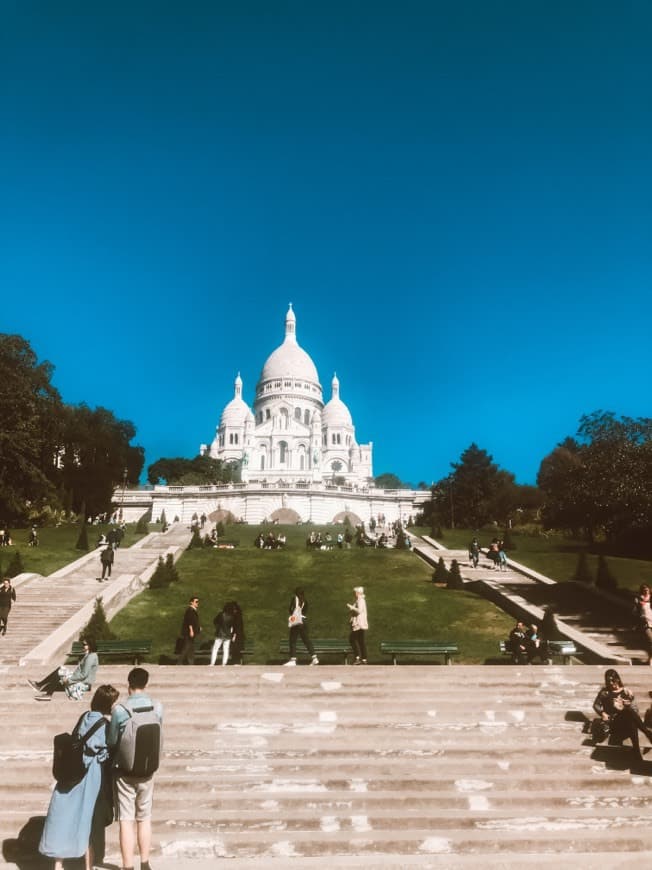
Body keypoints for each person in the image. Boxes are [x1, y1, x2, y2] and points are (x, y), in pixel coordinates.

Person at [39, 683, 119, 870]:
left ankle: (58, 863)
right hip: (90, 775)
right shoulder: (105, 725)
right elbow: (102, 753)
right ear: (108, 704)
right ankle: (87, 864)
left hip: (73, 771)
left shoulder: (85, 716)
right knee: (86, 818)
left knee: (64, 815)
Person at [108, 667, 163, 870]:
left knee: (126, 819)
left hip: (124, 772)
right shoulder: (157, 707)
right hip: (148, 770)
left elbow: (112, 741)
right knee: (145, 817)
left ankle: (127, 865)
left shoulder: (120, 710)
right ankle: (145, 862)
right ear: (146, 684)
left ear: (128, 684)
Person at [593, 669, 652, 763]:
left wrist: (630, 702)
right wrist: (602, 713)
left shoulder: (625, 691)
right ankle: (647, 733)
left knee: (631, 718)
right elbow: (595, 705)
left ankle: (636, 751)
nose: (611, 683)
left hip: (626, 723)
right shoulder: (605, 692)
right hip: (613, 723)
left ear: (618, 679)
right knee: (628, 712)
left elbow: (635, 710)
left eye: (613, 680)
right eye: (608, 681)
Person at [29, 637, 99, 700]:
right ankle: (42, 687)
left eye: (85, 644)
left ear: (90, 645)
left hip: (83, 684)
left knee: (60, 672)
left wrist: (69, 680)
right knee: (60, 669)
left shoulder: (91, 657)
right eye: (82, 644)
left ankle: (45, 690)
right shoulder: (89, 655)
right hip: (80, 680)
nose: (83, 646)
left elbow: (84, 675)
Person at [284, 587, 318, 666]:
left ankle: (293, 659)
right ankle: (314, 658)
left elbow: (291, 609)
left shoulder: (295, 599)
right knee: (306, 640)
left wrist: (292, 615)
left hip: (296, 621)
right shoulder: (305, 601)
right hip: (303, 621)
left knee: (292, 640)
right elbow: (305, 611)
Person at [347, 586, 368, 664]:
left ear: (358, 593)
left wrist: (352, 607)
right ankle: (364, 658)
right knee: (361, 641)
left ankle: (357, 658)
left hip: (359, 623)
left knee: (352, 639)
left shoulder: (361, 600)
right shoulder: (360, 600)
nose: (355, 593)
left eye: (355, 592)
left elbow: (359, 611)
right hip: (360, 623)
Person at [633, 584, 652, 666]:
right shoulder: (638, 599)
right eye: (644, 589)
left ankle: (650, 659)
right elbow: (634, 612)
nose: (646, 591)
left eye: (647, 589)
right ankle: (650, 659)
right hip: (645, 623)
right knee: (651, 641)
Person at [178, 596, 200, 665]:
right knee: (187, 647)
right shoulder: (190, 610)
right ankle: (179, 662)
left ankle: (191, 662)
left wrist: (199, 627)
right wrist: (191, 631)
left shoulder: (193, 610)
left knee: (191, 647)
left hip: (191, 631)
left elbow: (194, 621)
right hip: (189, 632)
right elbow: (189, 621)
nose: (197, 603)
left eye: (198, 602)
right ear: (191, 602)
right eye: (196, 602)